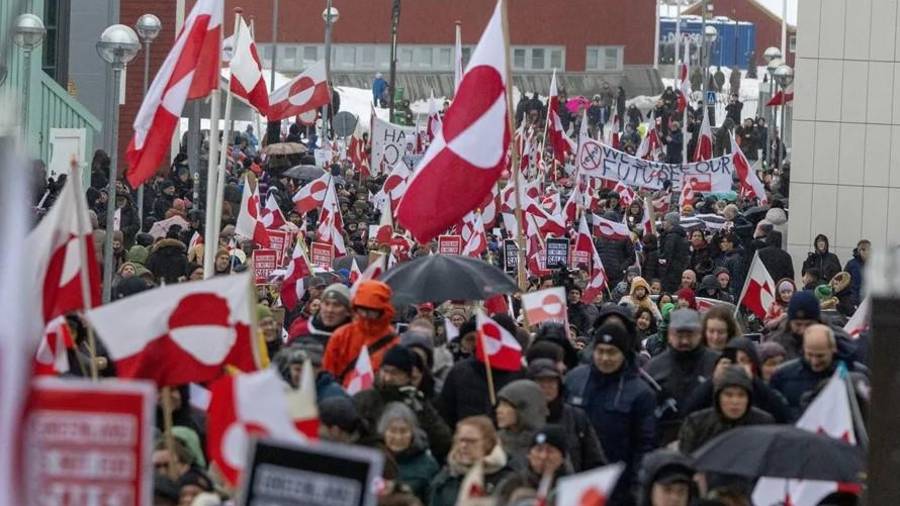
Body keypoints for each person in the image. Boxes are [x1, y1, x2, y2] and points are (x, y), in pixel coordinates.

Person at [565, 322, 657, 500]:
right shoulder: (575, 380)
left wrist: (637, 488)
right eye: (601, 351)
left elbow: (645, 444)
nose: (605, 358)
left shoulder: (641, 392)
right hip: (577, 480)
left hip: (619, 484)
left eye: (612, 352)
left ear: (624, 353)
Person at [354, 345, 453, 463]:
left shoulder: (417, 402)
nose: (388, 378)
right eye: (385, 371)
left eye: (395, 373)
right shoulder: (365, 399)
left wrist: (421, 410)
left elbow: (442, 440)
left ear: (407, 376)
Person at [645, 309, 720, 443]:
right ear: (670, 335)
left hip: (709, 439)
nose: (685, 340)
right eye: (680, 335)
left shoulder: (717, 364)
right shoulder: (654, 368)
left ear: (699, 334)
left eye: (690, 335)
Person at [770, 324, 869, 420]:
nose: (815, 361)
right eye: (810, 355)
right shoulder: (783, 376)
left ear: (833, 349)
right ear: (803, 349)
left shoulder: (857, 375)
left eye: (820, 356)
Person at [681, 337, 791, 423]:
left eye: (746, 361)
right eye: (739, 361)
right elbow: (689, 411)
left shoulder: (763, 388)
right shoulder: (714, 387)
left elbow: (781, 414)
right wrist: (714, 379)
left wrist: (753, 380)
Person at [526, 359, 606, 472]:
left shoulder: (576, 417)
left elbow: (595, 461)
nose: (546, 387)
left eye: (551, 381)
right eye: (540, 382)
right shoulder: (520, 417)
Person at [678, 365, 775, 454]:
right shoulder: (696, 423)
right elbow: (683, 460)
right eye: (728, 395)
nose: (735, 401)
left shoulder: (763, 423)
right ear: (718, 397)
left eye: (741, 395)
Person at [322, 280, 399, 384]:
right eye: (362, 309)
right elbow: (328, 373)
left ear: (383, 311)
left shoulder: (392, 340)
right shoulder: (342, 335)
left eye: (372, 310)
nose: (366, 315)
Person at [428, 416, 516, 506]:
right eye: (461, 440)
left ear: (489, 443)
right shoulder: (444, 479)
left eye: (471, 441)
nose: (463, 446)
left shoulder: (508, 481)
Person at [378, 402, 440, 502]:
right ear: (383, 432)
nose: (398, 437)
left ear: (412, 433)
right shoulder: (374, 459)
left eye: (403, 431)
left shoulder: (428, 465)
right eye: (392, 431)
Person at [495, 379, 549, 465]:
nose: (498, 410)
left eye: (505, 405)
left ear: (524, 409)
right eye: (499, 405)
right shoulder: (494, 441)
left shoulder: (547, 441)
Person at [288, 283, 353, 346]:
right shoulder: (301, 331)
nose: (329, 310)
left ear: (348, 310)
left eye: (336, 305)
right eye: (326, 304)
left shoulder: (354, 336)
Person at [765, 291, 822, 360]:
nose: (802, 330)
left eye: (808, 324)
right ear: (790, 322)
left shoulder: (834, 340)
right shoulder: (776, 344)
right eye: (798, 324)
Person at [659, 212, 691, 293]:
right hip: (678, 272)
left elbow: (667, 256)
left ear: (671, 222)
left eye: (665, 220)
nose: (663, 223)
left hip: (670, 274)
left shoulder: (671, 237)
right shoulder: (681, 235)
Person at [844, 239, 870, 307]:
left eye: (868, 249)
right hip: (854, 301)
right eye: (863, 249)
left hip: (868, 301)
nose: (866, 252)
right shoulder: (851, 264)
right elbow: (844, 282)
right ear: (859, 251)